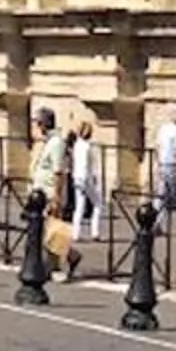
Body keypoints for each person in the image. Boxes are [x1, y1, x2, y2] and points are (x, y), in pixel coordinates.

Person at [65, 118, 107, 278]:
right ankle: (94, 232)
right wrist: (95, 179)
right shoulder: (89, 147)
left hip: (77, 178)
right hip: (87, 178)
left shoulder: (76, 145)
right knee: (98, 204)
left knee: (79, 207)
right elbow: (92, 166)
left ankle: (76, 233)